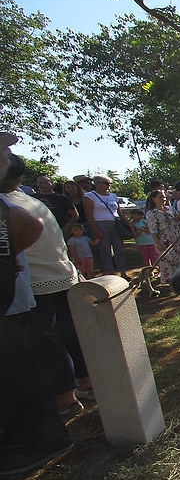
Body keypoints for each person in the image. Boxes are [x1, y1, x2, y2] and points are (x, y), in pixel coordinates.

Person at [2, 148, 94, 418]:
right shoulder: (32, 201)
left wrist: (14, 254)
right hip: (60, 276)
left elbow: (31, 230)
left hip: (37, 283)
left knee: (47, 340)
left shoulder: (9, 205)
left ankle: (65, 399)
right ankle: (86, 385)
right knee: (67, 333)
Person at [0, 189, 75, 476]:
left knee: (28, 359)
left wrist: (8, 257)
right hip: (39, 284)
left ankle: (44, 435)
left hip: (18, 295)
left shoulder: (13, 203)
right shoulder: (24, 200)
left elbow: (29, 225)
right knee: (49, 344)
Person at [83, 174, 129, 279]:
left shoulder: (113, 196)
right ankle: (110, 273)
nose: (109, 185)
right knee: (105, 250)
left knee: (119, 249)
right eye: (106, 183)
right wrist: (95, 229)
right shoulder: (90, 196)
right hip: (100, 224)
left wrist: (127, 223)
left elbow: (119, 212)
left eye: (110, 183)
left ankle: (123, 272)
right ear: (98, 184)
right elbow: (89, 215)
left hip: (115, 224)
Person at [145, 189, 180, 286]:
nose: (163, 199)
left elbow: (178, 221)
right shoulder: (151, 213)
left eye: (164, 197)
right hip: (164, 241)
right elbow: (153, 230)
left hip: (177, 238)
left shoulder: (170, 209)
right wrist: (158, 243)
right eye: (160, 197)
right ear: (153, 199)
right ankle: (173, 283)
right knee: (169, 262)